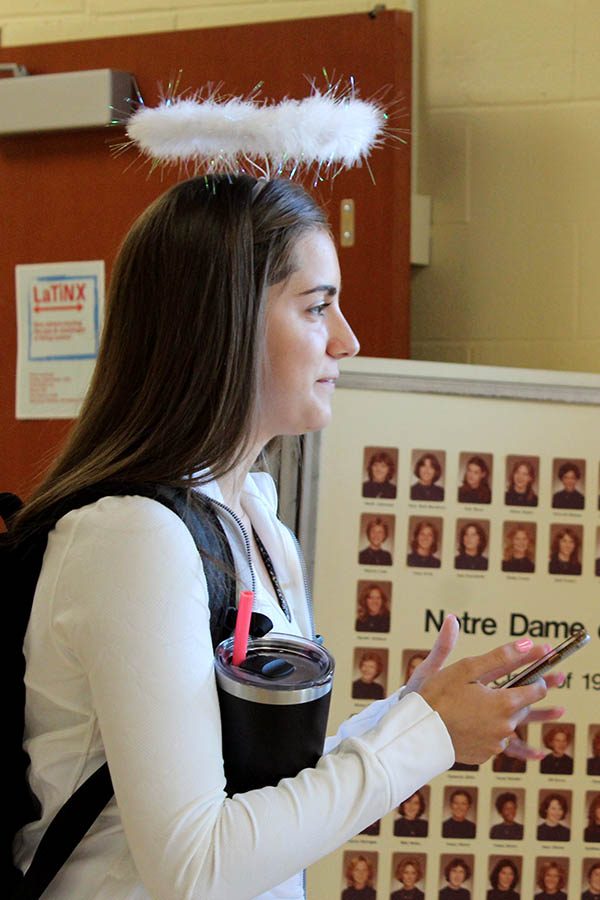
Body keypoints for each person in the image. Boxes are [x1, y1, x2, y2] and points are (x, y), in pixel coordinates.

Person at [11, 174, 564, 900]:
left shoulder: (254, 516)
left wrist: (415, 720)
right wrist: (423, 734)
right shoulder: (135, 537)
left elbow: (253, 797)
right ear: (224, 322)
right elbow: (197, 866)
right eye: (316, 308)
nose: (347, 339)